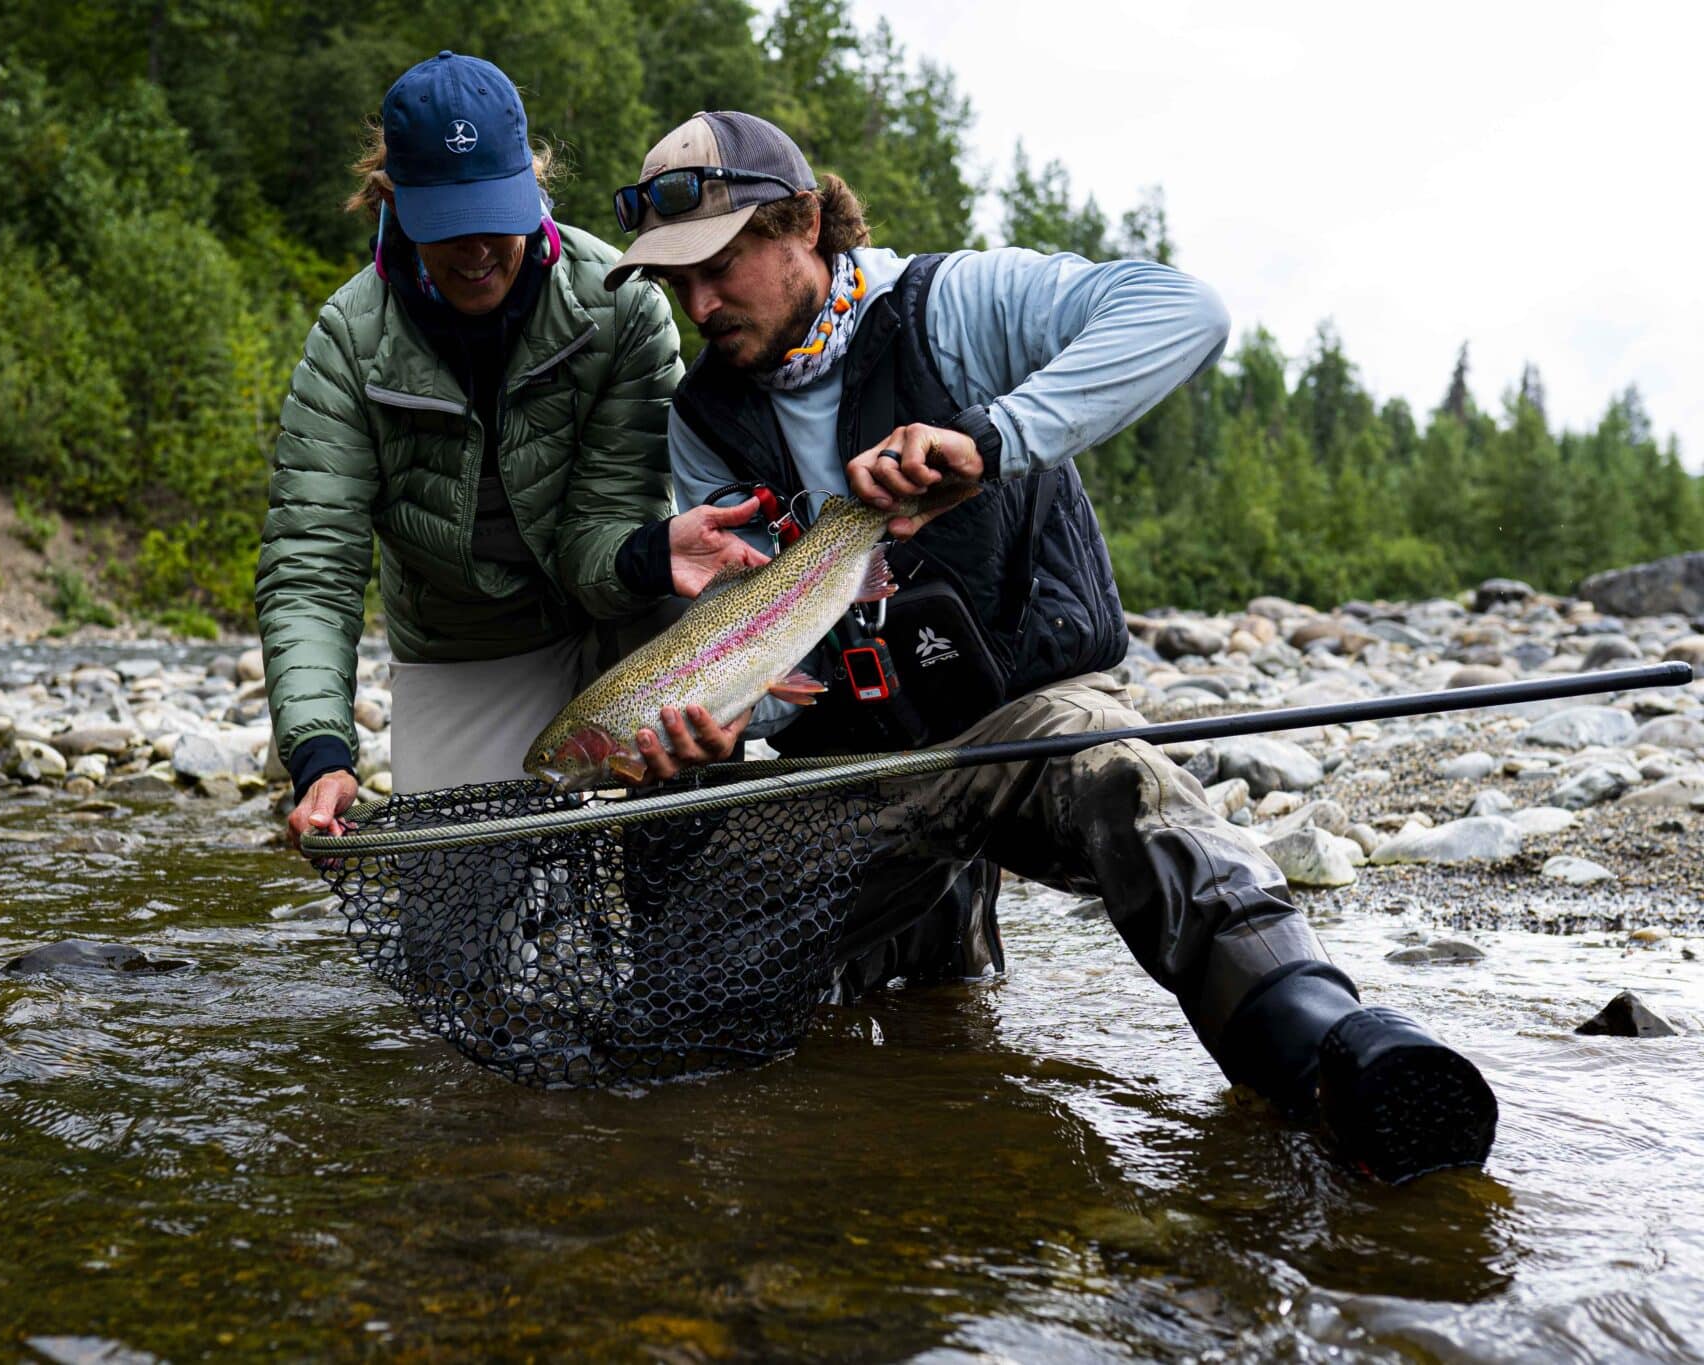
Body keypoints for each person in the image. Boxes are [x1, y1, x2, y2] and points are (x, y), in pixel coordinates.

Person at [602, 110, 1498, 1182]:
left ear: (801, 223)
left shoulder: (949, 309)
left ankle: (1329, 1053)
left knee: (1112, 764)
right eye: (676, 283)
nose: (697, 307)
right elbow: (756, 660)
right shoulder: (703, 415)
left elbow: (1182, 313)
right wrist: (722, 727)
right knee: (711, 1018)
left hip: (1013, 730)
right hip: (846, 769)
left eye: (718, 266)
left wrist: (992, 440)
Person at [255, 54, 766, 848]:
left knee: (695, 843)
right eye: (444, 225)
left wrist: (646, 558)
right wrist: (320, 748)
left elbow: (604, 530)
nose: (475, 250)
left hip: (619, 608)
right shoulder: (348, 344)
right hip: (466, 645)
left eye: (494, 214)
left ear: (533, 187)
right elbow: (311, 566)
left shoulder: (621, 305)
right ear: (392, 203)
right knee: (459, 955)